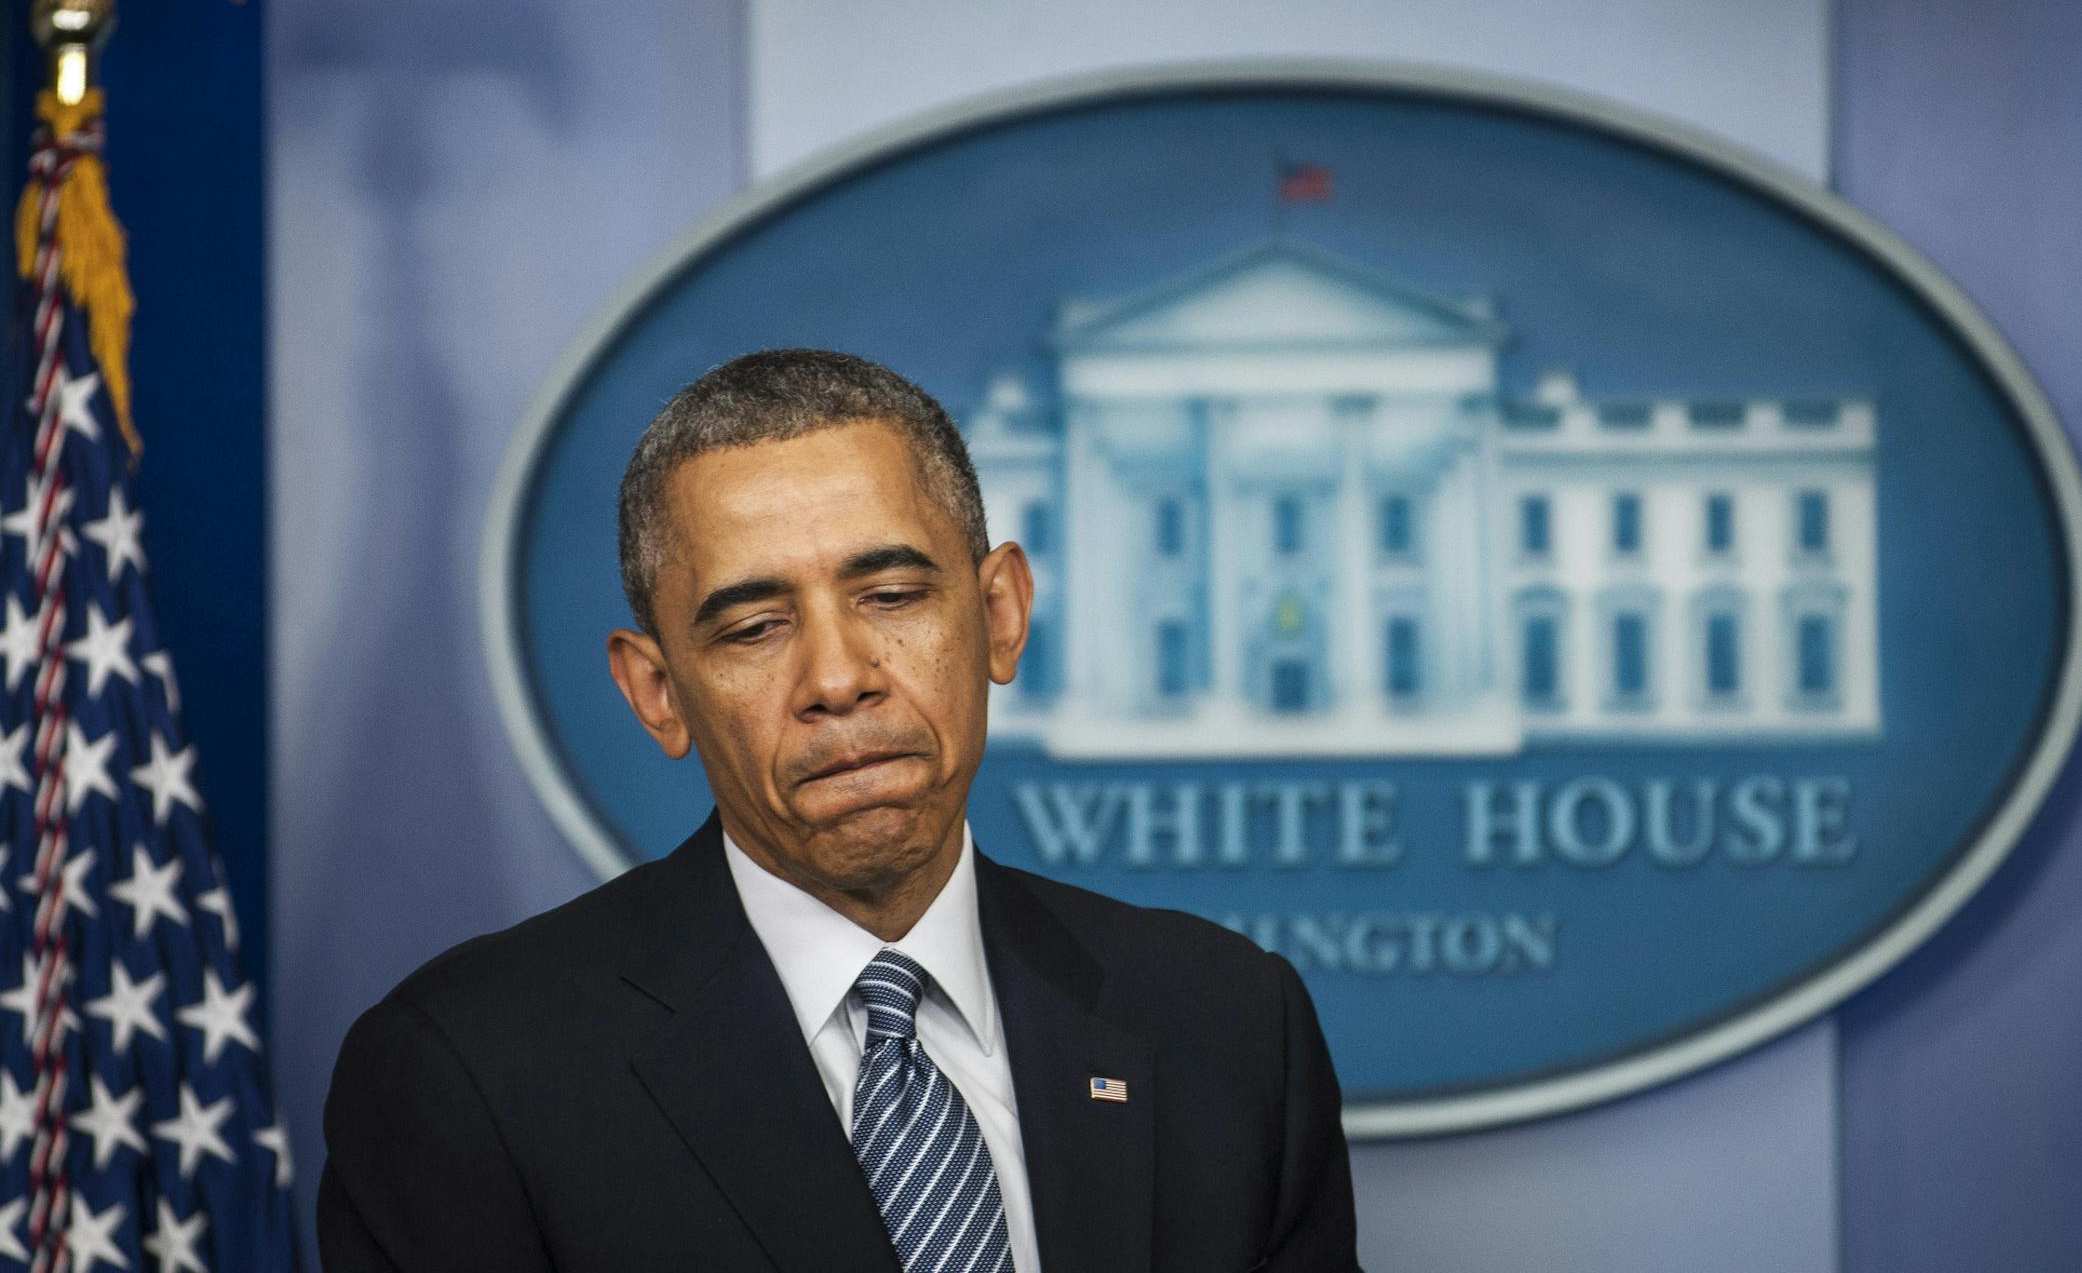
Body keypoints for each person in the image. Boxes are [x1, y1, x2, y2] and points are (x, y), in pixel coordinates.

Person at [318, 349, 1359, 1272]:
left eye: (893, 598)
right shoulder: (469, 1072)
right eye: (756, 627)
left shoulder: (1227, 1025)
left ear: (999, 616)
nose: (838, 677)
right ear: (658, 693)